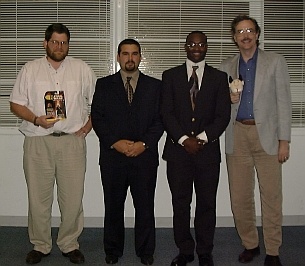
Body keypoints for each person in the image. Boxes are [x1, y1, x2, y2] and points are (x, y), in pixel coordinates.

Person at [9, 23, 96, 264]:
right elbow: (15, 103)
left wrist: (87, 127)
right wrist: (36, 119)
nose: (59, 46)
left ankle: (69, 243)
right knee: (38, 197)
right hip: (38, 142)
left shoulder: (81, 69)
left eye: (64, 42)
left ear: (69, 45)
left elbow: (99, 103)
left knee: (72, 197)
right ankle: (41, 244)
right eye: (55, 42)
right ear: (45, 43)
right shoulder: (30, 69)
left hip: (71, 143)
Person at [219, 15, 291, 266]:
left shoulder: (275, 61)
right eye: (240, 31)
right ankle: (250, 244)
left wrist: (284, 140)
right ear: (234, 37)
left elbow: (283, 101)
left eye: (250, 30)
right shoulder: (226, 66)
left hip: (268, 137)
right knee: (239, 198)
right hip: (237, 135)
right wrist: (228, 100)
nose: (245, 35)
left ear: (258, 34)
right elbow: (218, 104)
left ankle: (273, 250)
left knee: (271, 196)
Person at [161, 31, 231, 266]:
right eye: (192, 43)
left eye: (201, 44)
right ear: (185, 47)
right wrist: (183, 139)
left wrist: (200, 138)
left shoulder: (220, 78)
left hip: (207, 152)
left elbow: (223, 116)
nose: (196, 47)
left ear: (206, 47)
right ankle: (185, 250)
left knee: (206, 203)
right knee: (180, 203)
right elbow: (166, 113)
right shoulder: (169, 76)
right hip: (178, 151)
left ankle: (204, 251)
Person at [91, 38, 163, 265]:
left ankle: (145, 250)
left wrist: (144, 144)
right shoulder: (104, 85)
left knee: (145, 206)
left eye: (134, 54)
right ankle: (112, 249)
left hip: (145, 157)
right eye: (125, 54)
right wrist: (115, 142)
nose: (130, 58)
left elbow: (161, 120)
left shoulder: (155, 86)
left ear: (140, 57)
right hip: (113, 157)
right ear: (118, 57)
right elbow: (98, 119)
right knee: (113, 205)